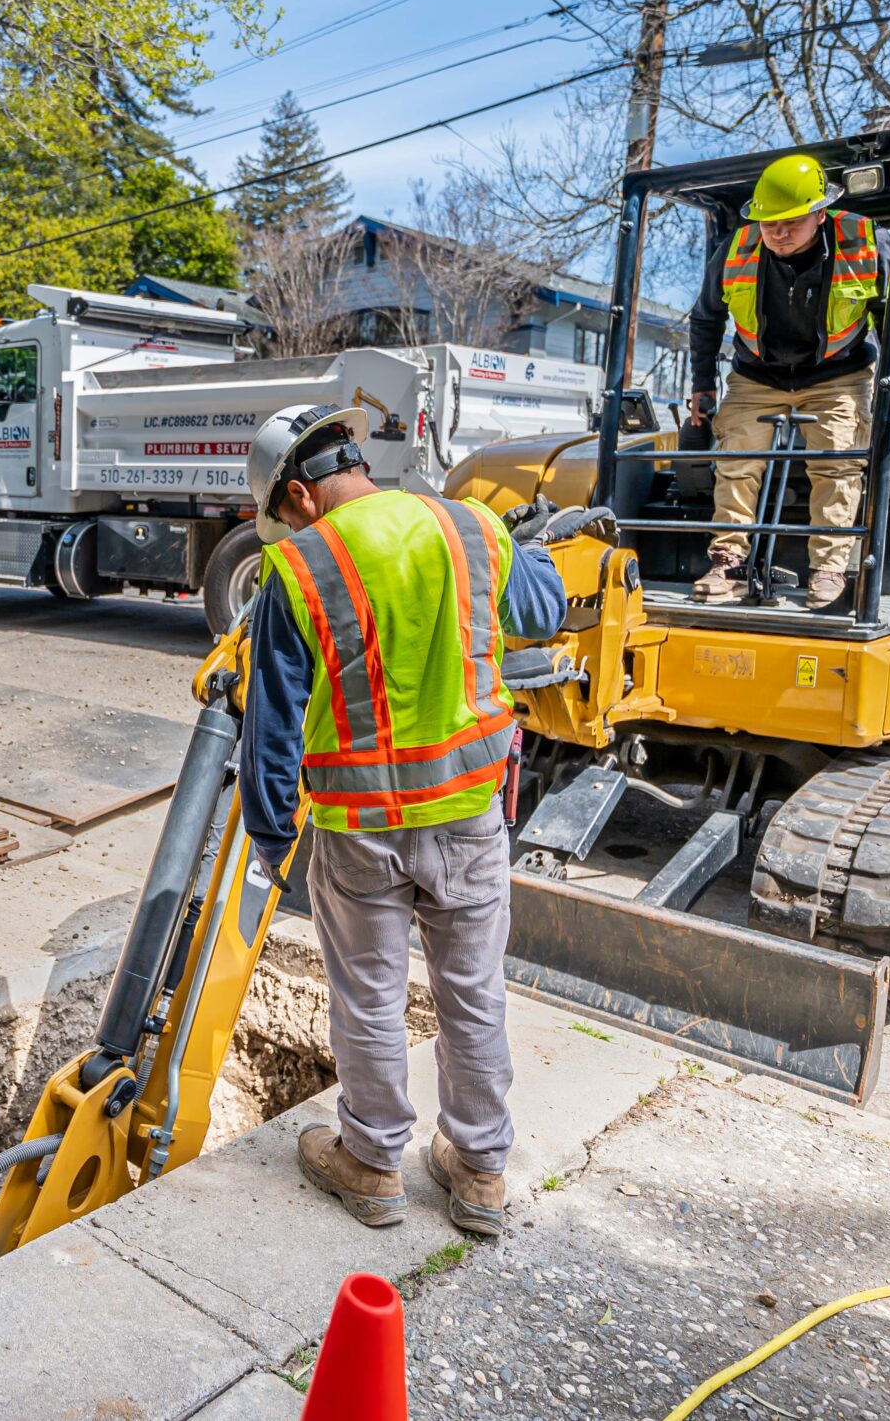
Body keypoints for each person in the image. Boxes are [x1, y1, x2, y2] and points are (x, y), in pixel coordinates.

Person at [238, 404, 571, 1237]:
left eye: (280, 518)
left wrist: (273, 833)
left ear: (302, 496)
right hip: (467, 816)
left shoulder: (301, 569)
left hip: (358, 830)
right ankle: (482, 1171)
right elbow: (545, 607)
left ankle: (373, 1162)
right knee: (472, 993)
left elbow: (271, 727)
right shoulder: (470, 526)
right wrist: (522, 556)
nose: (283, 535)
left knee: (371, 998)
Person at [688, 151, 890, 606]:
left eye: (790, 222)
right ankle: (728, 563)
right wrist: (702, 385)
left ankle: (829, 570)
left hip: (839, 373)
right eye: (768, 222)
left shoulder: (863, 242)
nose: (776, 233)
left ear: (819, 214)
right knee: (737, 459)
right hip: (757, 375)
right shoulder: (736, 248)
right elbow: (705, 319)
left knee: (838, 462)